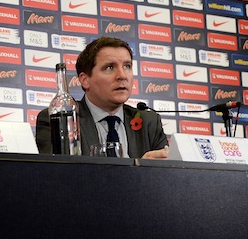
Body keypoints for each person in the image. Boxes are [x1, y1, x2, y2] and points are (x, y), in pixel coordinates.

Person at [36, 36, 169, 159]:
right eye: (110, 67)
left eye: (127, 66)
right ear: (85, 80)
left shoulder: (149, 122)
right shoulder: (59, 120)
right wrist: (140, 172)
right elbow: (55, 176)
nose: (122, 75)